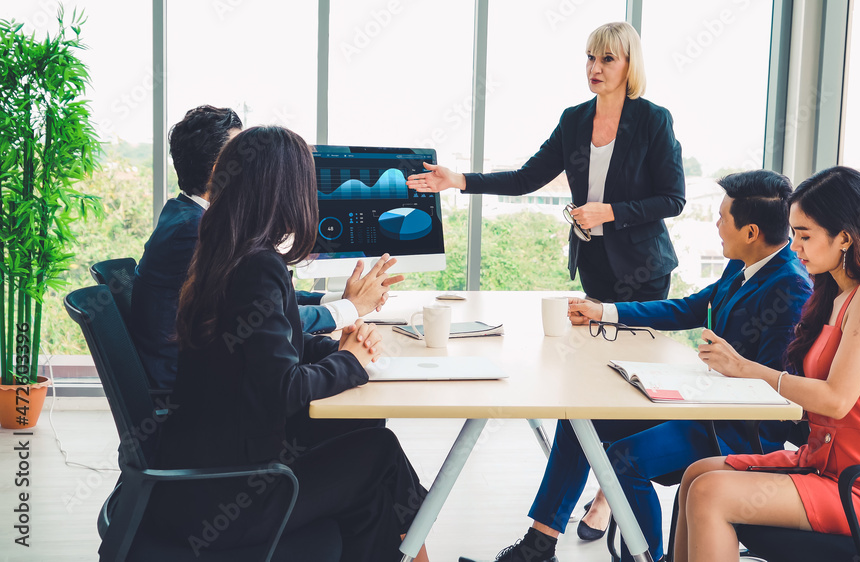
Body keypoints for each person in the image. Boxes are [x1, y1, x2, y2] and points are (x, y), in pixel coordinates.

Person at [462, 170, 811, 562]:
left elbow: (771, 385)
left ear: (750, 232)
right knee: (581, 418)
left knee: (624, 460)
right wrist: (605, 311)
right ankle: (539, 546)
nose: (716, 225)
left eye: (721, 217)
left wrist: (721, 370)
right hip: (703, 406)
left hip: (735, 430)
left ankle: (646, 559)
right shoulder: (744, 264)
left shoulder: (791, 285)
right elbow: (689, 308)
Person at [150, 126, 430, 562]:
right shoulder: (258, 266)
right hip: (230, 496)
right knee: (381, 455)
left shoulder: (224, 252)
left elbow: (269, 347)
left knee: (364, 433)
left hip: (198, 478)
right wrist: (351, 363)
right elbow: (282, 389)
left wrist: (337, 350)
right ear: (286, 192)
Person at [673, 166, 860, 562]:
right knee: (696, 474)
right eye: (794, 234)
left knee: (709, 494)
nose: (794, 247)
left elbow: (836, 400)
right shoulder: (831, 293)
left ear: (844, 237)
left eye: (805, 235)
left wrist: (746, 368)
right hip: (822, 462)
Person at [407, 22, 684, 303]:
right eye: (590, 57)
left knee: (637, 346)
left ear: (630, 65)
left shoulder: (653, 120)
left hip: (643, 270)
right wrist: (458, 180)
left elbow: (673, 199)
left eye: (607, 59)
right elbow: (525, 179)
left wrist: (610, 212)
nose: (594, 68)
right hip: (593, 263)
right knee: (595, 346)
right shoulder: (574, 120)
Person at [131, 105, 401, 390]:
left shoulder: (186, 215)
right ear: (220, 170)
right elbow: (262, 318)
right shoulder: (194, 231)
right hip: (192, 390)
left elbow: (264, 304)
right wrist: (349, 310)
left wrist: (339, 302)